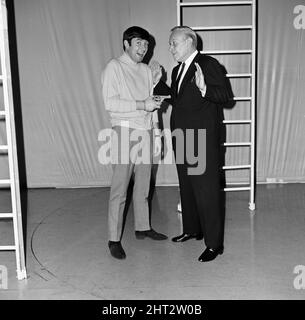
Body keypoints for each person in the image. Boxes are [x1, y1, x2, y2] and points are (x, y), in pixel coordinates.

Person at [101, 26, 168, 260]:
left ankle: (143, 227)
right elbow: (110, 103)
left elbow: (153, 105)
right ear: (126, 44)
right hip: (124, 131)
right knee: (120, 188)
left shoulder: (146, 70)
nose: (143, 48)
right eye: (138, 43)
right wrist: (141, 105)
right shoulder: (114, 67)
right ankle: (113, 238)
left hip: (146, 131)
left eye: (146, 44)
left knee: (143, 185)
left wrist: (157, 133)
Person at [166, 26, 232, 262]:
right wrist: (157, 85)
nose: (170, 47)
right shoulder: (176, 70)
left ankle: (214, 244)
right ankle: (192, 229)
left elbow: (225, 95)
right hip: (182, 137)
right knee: (187, 186)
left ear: (190, 41)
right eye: (170, 44)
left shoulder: (208, 64)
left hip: (202, 139)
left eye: (174, 43)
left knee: (207, 192)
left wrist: (205, 87)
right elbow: (178, 99)